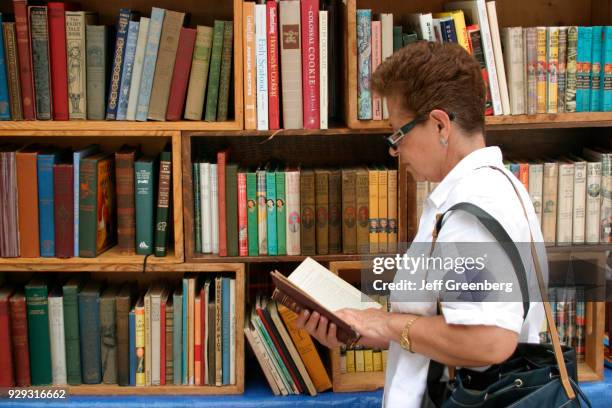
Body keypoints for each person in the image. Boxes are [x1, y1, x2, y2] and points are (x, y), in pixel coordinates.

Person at [296, 41, 546, 407]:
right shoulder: (497, 186)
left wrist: (385, 324)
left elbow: (489, 341)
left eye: (398, 134)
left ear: (441, 124)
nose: (394, 151)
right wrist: (361, 327)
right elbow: (439, 325)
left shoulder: (472, 207)